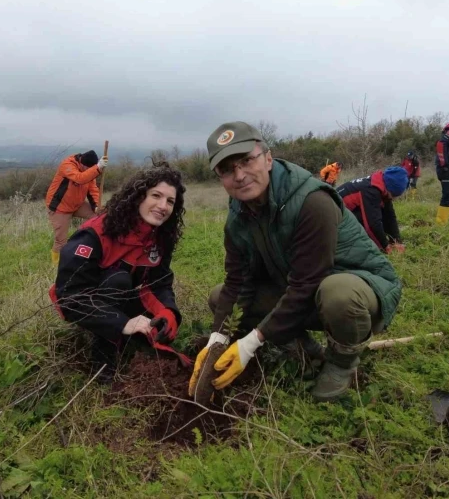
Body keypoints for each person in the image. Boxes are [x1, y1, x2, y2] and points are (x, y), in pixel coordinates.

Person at [188, 122, 402, 402]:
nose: (239, 175)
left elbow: (308, 283)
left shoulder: (312, 201)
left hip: (357, 290)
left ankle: (341, 361)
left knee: (338, 293)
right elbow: (237, 282)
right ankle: (303, 349)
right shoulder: (238, 216)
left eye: (246, 161)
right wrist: (217, 338)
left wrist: (250, 343)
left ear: (267, 158)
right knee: (220, 299)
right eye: (227, 170)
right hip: (302, 291)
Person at [49, 164, 188, 379]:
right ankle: (103, 362)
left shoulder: (159, 237)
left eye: (170, 201)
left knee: (159, 330)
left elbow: (159, 282)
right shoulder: (94, 234)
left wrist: (168, 312)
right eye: (156, 196)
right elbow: (69, 297)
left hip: (122, 298)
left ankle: (130, 337)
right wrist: (123, 323)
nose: (163, 206)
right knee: (119, 280)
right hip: (84, 304)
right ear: (139, 196)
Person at [46, 150, 108, 265]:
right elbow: (79, 178)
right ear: (82, 163)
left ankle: (90, 242)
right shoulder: (67, 165)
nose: (88, 170)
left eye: (91, 168)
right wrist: (98, 168)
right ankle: (57, 265)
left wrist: (96, 206)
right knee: (61, 240)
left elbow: (92, 189)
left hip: (77, 204)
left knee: (99, 216)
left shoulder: (89, 170)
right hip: (60, 207)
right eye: (87, 168)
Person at [337, 166, 409, 254]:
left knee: (380, 212)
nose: (393, 198)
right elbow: (372, 224)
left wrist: (396, 241)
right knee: (370, 217)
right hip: (333, 219)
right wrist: (385, 246)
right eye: (393, 195)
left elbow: (390, 216)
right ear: (389, 188)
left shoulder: (380, 184)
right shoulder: (371, 190)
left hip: (346, 213)